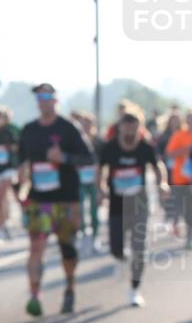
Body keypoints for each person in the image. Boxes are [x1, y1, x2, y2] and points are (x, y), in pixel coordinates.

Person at [17, 83, 94, 317]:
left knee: (66, 248)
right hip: (38, 200)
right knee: (36, 248)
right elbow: (20, 162)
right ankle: (34, 295)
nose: (43, 100)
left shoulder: (68, 128)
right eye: (39, 97)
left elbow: (88, 158)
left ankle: (70, 286)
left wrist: (65, 157)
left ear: (55, 100)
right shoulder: (29, 130)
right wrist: (19, 187)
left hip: (65, 199)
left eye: (48, 96)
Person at [97, 109, 169, 307]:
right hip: (116, 204)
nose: (130, 128)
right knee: (116, 247)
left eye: (134, 124)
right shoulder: (110, 148)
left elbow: (158, 167)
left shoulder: (145, 147)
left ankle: (135, 290)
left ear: (140, 126)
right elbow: (101, 170)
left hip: (139, 205)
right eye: (126, 124)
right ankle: (119, 258)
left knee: (139, 249)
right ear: (120, 126)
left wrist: (162, 183)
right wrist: (101, 188)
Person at [71, 110, 104, 255]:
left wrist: (101, 185)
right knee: (80, 209)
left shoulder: (99, 142)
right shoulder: (76, 142)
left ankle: (95, 236)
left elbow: (103, 164)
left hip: (94, 181)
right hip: (79, 180)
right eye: (83, 124)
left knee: (94, 210)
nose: (86, 126)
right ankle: (84, 234)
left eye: (88, 124)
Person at [0, 106, 20, 244]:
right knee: (1, 199)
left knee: (1, 199)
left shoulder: (10, 131)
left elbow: (18, 146)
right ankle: (6, 222)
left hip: (8, 169)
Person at [165, 110, 192, 250]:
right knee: (181, 209)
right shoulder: (179, 136)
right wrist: (185, 150)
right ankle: (180, 231)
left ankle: (189, 237)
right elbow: (169, 154)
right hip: (180, 179)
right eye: (189, 119)